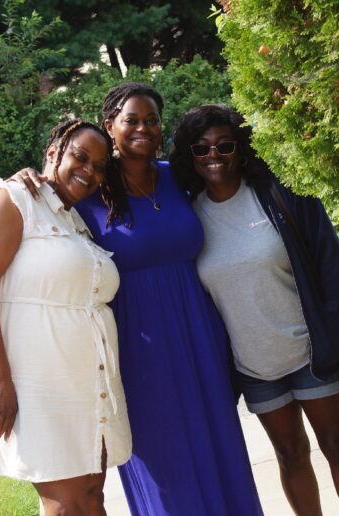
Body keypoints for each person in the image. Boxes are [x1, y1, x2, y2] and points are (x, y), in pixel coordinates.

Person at [12, 83, 263, 515]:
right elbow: (38, 202)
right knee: (165, 465)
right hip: (136, 348)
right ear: (111, 126)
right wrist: (26, 176)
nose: (142, 128)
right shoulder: (90, 188)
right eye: (131, 120)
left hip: (199, 337)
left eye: (151, 120)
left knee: (220, 447)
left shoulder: (177, 176)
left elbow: (231, 170)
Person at [170, 103, 339, 516]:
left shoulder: (281, 195)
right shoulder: (189, 218)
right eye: (201, 148)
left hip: (310, 352)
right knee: (289, 454)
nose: (214, 156)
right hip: (255, 365)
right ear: (189, 155)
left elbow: (330, 265)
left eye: (225, 146)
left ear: (241, 149)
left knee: (335, 445)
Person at [0, 119, 132, 516]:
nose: (89, 170)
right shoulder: (14, 199)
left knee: (92, 498)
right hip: (34, 386)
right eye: (80, 156)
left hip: (87, 385)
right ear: (54, 151)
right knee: (65, 505)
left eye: (99, 166)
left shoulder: (74, 219)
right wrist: (2, 382)